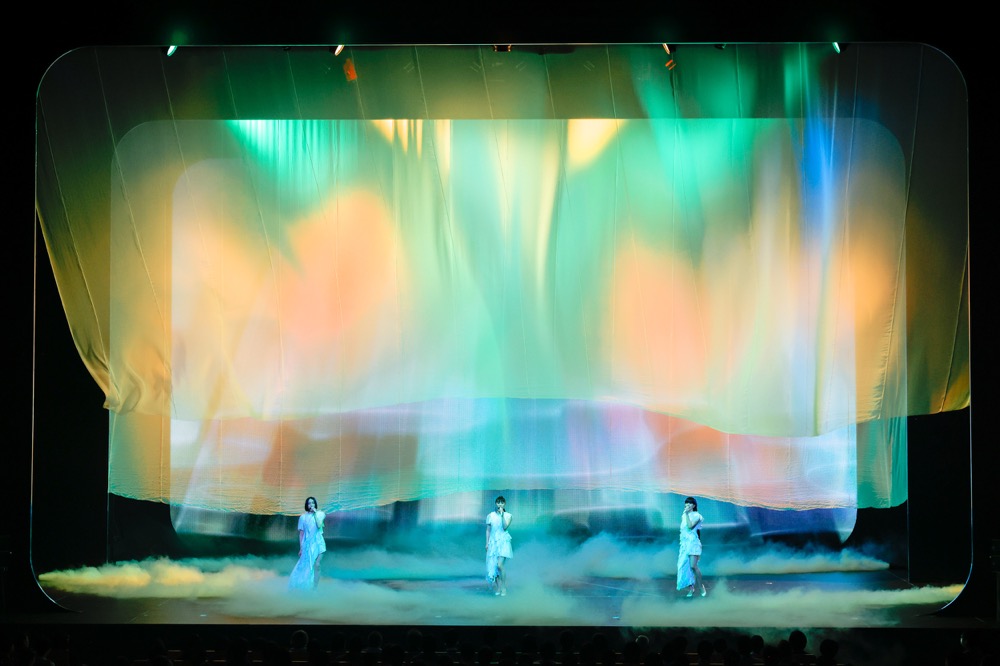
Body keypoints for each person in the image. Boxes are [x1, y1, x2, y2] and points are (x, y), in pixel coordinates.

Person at [289, 496, 326, 590]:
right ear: (306, 505)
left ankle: (315, 588)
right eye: (309, 503)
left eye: (313, 503)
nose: (311, 505)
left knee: (317, 565)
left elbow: (319, 525)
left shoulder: (320, 514)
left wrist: (315, 513)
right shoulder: (303, 517)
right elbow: (301, 534)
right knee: (307, 567)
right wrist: (301, 548)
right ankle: (304, 586)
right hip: (308, 545)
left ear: (315, 504)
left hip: (319, 543)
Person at [676, 496, 706, 598]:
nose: (687, 506)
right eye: (686, 504)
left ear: (693, 505)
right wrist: (686, 514)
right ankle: (691, 588)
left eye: (689, 504)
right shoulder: (683, 515)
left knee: (693, 566)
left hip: (693, 543)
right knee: (684, 567)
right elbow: (683, 530)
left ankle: (701, 587)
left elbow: (690, 526)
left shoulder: (698, 516)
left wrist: (687, 514)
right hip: (684, 544)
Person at [485, 495, 513, 595]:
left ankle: (504, 587)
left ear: (504, 504)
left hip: (503, 542)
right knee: (493, 566)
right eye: (498, 502)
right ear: (496, 503)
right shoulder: (490, 515)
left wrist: (502, 515)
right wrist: (487, 543)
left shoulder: (508, 515)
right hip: (493, 543)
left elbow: (505, 527)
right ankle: (498, 587)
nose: (500, 504)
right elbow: (488, 530)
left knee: (499, 565)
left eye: (502, 502)